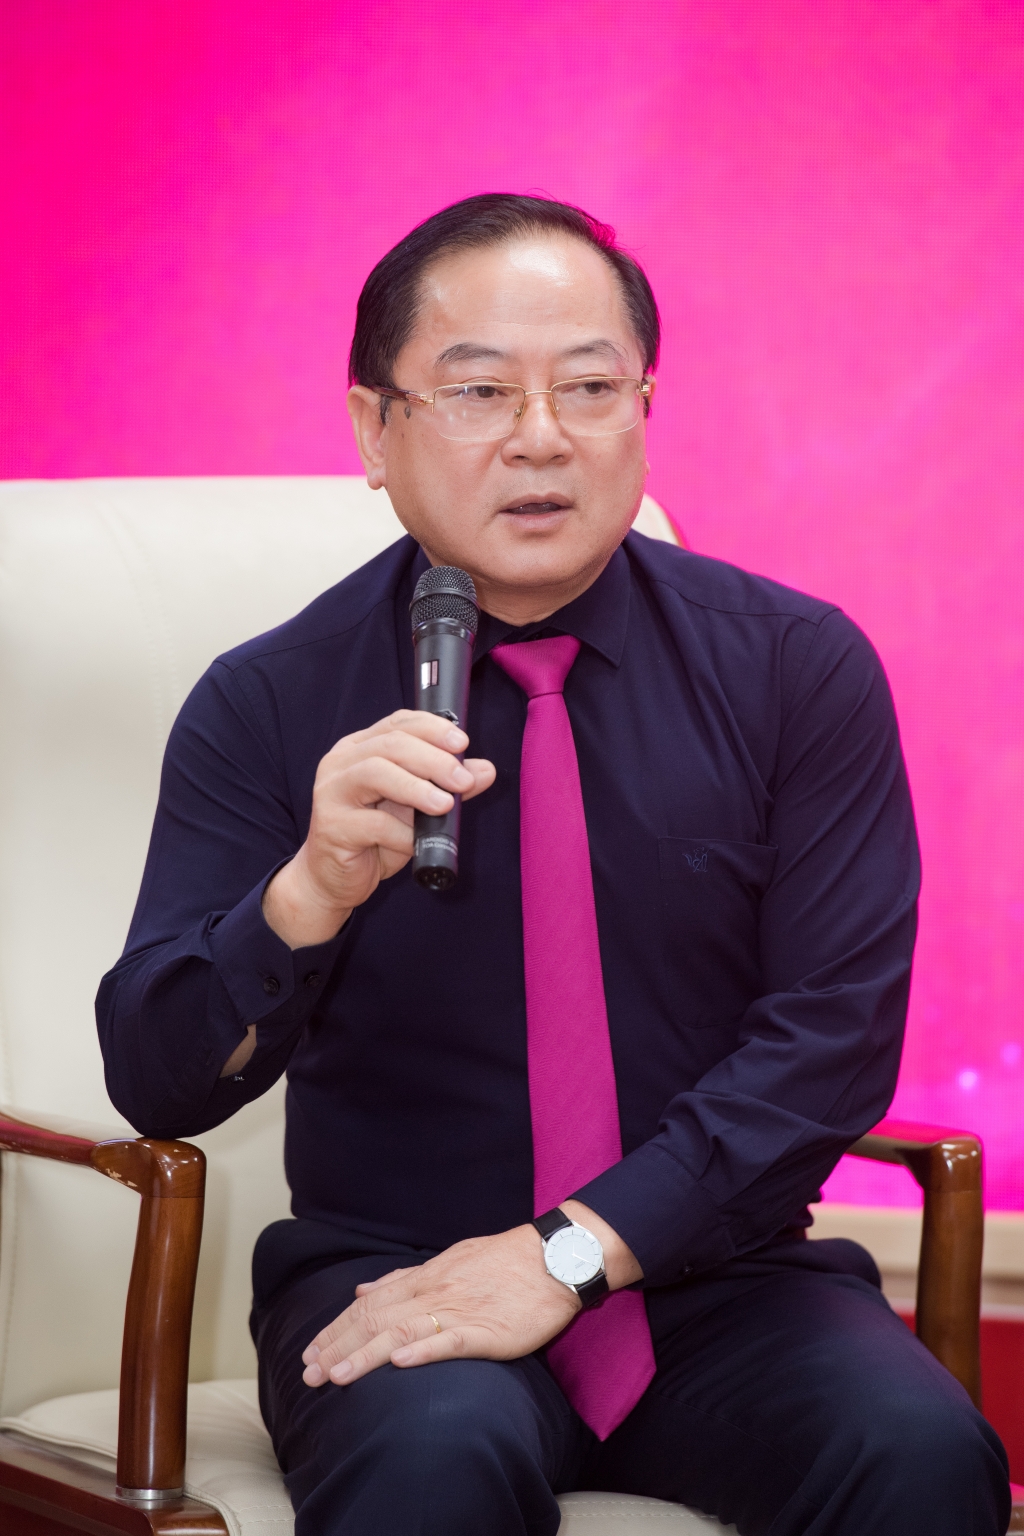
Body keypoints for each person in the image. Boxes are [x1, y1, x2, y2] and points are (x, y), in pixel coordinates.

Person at [96, 194, 1009, 1536]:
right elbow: (157, 1076)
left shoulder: (796, 670)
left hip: (714, 1274)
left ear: (645, 408)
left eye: (590, 387)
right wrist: (307, 894)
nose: (542, 437)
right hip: (402, 1276)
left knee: (921, 1455)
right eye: (479, 392)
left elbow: (829, 1041)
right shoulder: (270, 702)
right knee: (429, 1470)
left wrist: (570, 1253)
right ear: (374, 430)